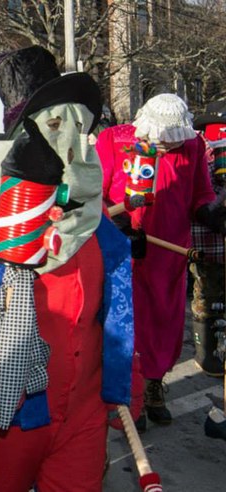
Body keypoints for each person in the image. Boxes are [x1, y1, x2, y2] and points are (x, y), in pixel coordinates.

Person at [0, 45, 139, 491]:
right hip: (10, 412)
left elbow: (112, 305)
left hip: (83, 412)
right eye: (53, 126)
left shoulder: (91, 210)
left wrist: (125, 373)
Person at [96, 93, 220, 427]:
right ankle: (129, 397)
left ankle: (153, 384)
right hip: (124, 249)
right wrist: (120, 226)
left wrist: (212, 213)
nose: (166, 146)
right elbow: (97, 195)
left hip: (169, 251)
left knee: (164, 323)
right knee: (127, 323)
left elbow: (200, 193)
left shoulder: (193, 146)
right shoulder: (113, 140)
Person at [190, 102, 226, 377]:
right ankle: (206, 354)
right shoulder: (200, 156)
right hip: (206, 245)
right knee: (207, 299)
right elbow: (197, 199)